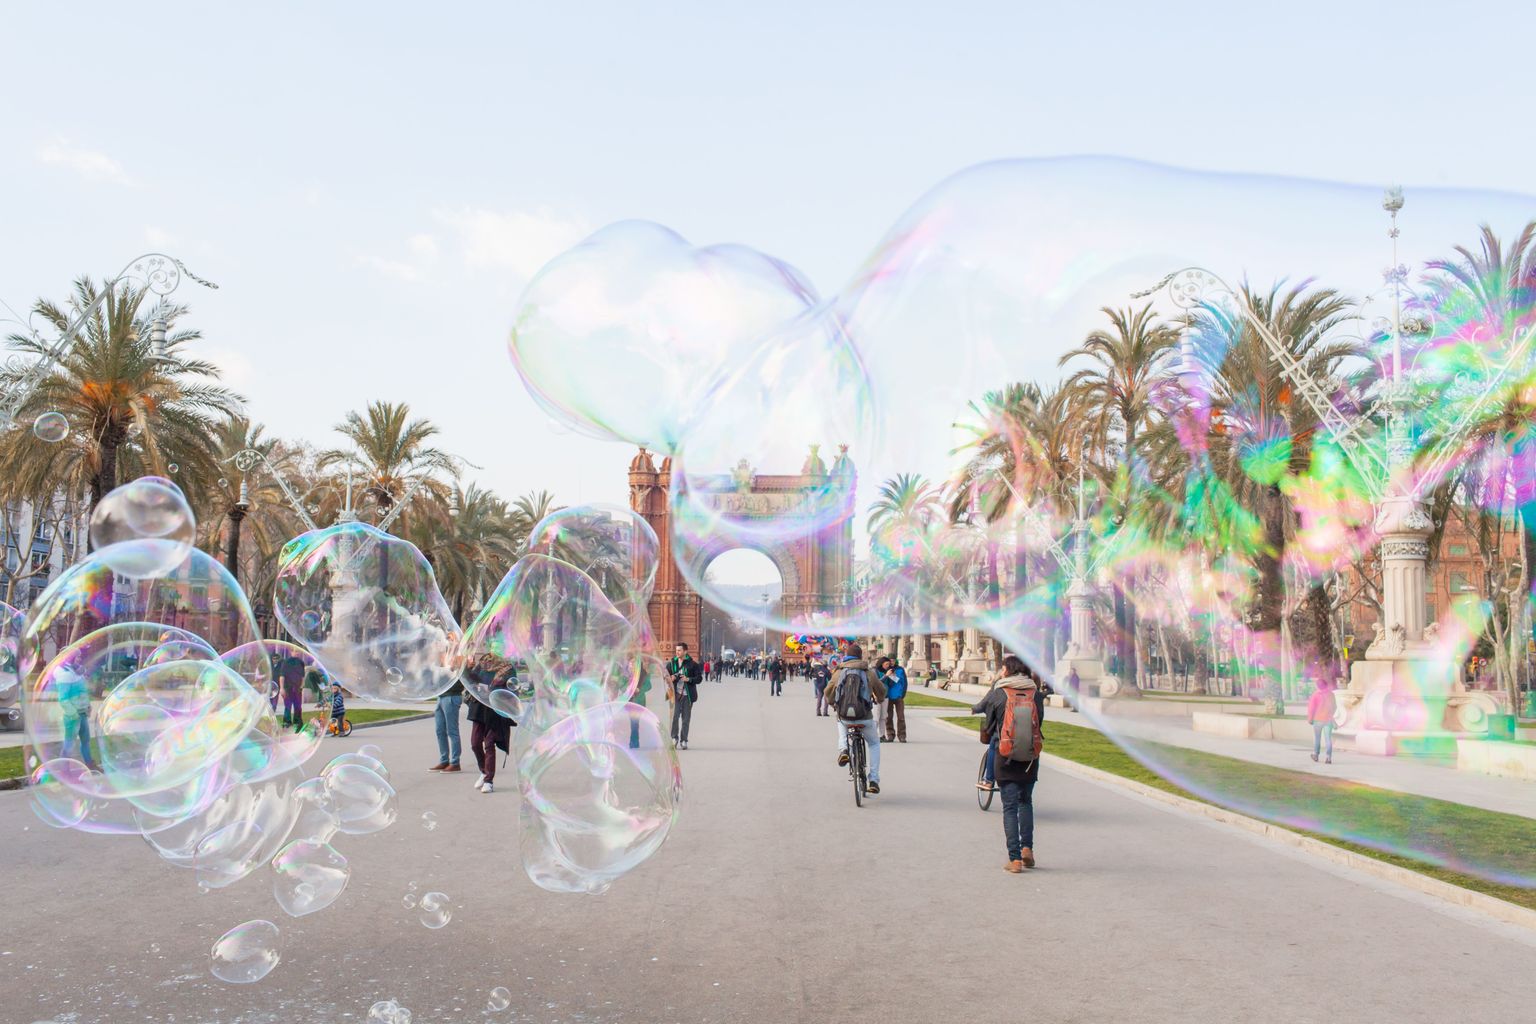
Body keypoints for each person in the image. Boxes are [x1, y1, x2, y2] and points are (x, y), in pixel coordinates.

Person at [972, 655, 1044, 872]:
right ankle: (1027, 850)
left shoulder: (999, 692)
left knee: (1010, 807)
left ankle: (1015, 859)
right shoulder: (1036, 694)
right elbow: (1039, 721)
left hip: (1006, 756)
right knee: (1026, 802)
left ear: (1008, 670)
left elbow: (990, 720)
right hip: (1030, 757)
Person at [824, 645, 886, 794]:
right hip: (864, 716)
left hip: (845, 715)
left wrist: (834, 704)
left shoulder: (839, 672)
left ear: (847, 655)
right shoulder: (868, 672)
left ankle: (844, 749)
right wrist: (880, 698)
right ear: (860, 656)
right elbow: (881, 690)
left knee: (841, 724)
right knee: (874, 744)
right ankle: (873, 780)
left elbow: (827, 691)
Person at [466, 660, 515, 793]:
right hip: (479, 707)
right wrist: (467, 667)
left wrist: (492, 690)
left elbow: (511, 688)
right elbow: (470, 680)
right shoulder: (482, 664)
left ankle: (489, 781)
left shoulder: (508, 668)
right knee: (475, 743)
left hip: (495, 710)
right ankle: (483, 771)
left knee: (489, 744)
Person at [667, 641, 702, 750]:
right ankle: (674, 738)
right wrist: (670, 678)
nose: (677, 652)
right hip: (675, 695)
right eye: (676, 650)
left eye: (679, 650)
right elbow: (665, 676)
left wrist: (688, 679)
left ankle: (684, 740)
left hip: (688, 696)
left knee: (686, 719)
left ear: (685, 651)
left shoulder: (693, 664)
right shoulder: (672, 663)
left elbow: (699, 678)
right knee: (674, 717)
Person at [430, 673, 465, 773]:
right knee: (440, 731)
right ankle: (444, 761)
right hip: (441, 696)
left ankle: (455, 763)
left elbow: (459, 677)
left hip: (452, 696)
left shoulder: (458, 660)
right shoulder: (443, 660)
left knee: (452, 731)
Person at [878, 656, 909, 742]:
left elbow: (905, 683)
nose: (892, 662)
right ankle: (890, 735)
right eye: (890, 661)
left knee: (901, 717)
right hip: (888, 696)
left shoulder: (900, 669)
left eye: (893, 660)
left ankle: (902, 736)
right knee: (889, 717)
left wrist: (903, 694)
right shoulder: (886, 670)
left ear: (896, 661)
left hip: (898, 696)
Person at [1307, 677, 1337, 764]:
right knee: (1328, 739)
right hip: (1328, 720)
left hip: (1318, 719)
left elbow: (1312, 708)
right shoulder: (1331, 694)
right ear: (1326, 685)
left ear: (1318, 686)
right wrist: (1330, 714)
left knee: (1317, 738)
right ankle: (1328, 757)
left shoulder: (1315, 695)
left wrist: (1310, 719)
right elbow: (1335, 707)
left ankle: (1316, 755)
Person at [277, 653, 307, 729]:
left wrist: (302, 685)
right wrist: (282, 688)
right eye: (295, 651)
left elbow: (303, 676)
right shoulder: (286, 662)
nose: (297, 653)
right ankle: (287, 722)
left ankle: (297, 722)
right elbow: (282, 676)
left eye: (297, 651)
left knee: (298, 706)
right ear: (291, 652)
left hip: (297, 688)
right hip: (288, 688)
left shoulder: (301, 662)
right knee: (288, 706)